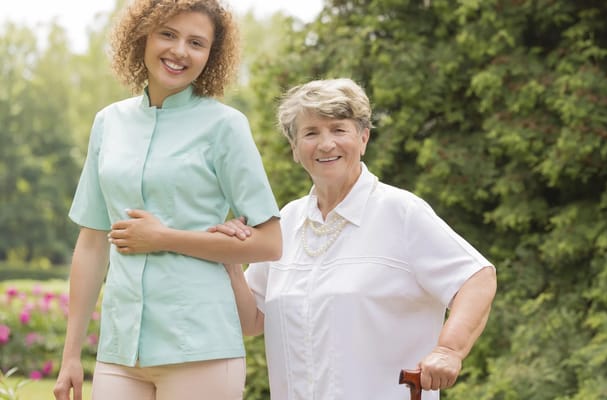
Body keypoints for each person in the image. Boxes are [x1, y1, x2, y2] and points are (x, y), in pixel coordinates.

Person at [53, 1, 282, 399]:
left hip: (200, 346)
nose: (180, 51)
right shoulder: (109, 123)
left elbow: (270, 243)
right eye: (168, 34)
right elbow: (91, 244)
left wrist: (165, 237)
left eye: (196, 42)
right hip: (120, 350)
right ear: (143, 35)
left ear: (211, 56)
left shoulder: (225, 127)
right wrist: (71, 353)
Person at [215, 78, 497, 399]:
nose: (325, 144)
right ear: (294, 149)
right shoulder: (287, 221)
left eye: (338, 130)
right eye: (310, 133)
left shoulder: (400, 212)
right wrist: (231, 264)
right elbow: (252, 320)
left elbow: (477, 279)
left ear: (363, 138)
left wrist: (449, 350)